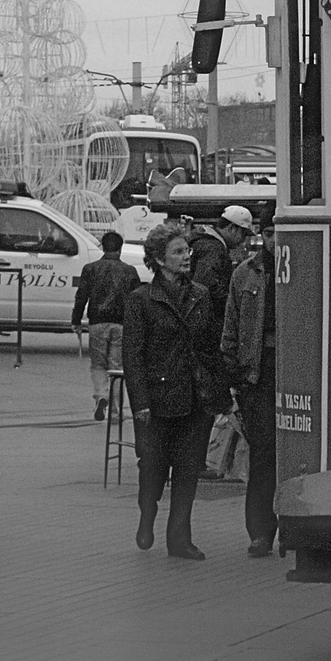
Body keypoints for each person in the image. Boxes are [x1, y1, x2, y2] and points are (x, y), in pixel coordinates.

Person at [122, 222, 223, 560]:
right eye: (178, 252)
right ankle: (147, 515)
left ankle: (179, 538)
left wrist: (219, 392)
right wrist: (140, 403)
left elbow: (210, 347)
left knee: (187, 470)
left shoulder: (200, 295)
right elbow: (132, 356)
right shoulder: (140, 300)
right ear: (158, 259)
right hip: (157, 401)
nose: (186, 257)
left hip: (195, 398)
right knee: (151, 468)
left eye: (187, 250)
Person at [220, 219, 280, 557]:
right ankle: (260, 531)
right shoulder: (245, 273)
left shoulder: (302, 267)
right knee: (263, 453)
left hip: (292, 371)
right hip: (256, 375)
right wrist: (233, 380)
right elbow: (232, 325)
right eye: (268, 234)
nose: (273, 241)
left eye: (278, 233)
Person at [190, 205, 254, 479]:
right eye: (244, 234)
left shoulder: (200, 245)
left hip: (198, 336)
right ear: (232, 228)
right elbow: (205, 289)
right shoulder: (214, 251)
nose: (245, 241)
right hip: (207, 336)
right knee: (210, 400)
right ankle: (200, 461)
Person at [71, 230, 142, 420]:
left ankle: (101, 396)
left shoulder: (90, 268)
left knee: (98, 365)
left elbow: (81, 296)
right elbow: (137, 302)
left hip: (97, 322)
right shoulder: (130, 271)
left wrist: (76, 320)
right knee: (117, 367)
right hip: (121, 324)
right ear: (120, 248)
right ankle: (115, 411)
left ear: (103, 246)